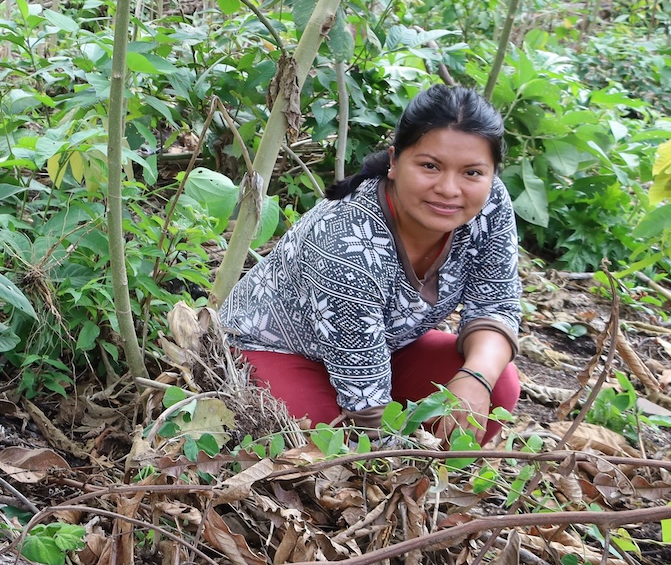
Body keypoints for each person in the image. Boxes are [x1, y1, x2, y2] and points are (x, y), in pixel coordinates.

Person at [218, 83, 523, 440]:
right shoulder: (345, 240)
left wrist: (476, 380)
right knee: (319, 435)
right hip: (277, 348)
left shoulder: (490, 203)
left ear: (491, 174)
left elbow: (497, 303)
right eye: (430, 166)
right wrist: (394, 455)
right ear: (394, 162)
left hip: (384, 350)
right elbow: (367, 404)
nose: (450, 189)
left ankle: (435, 464)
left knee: (496, 384)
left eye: (472, 173)